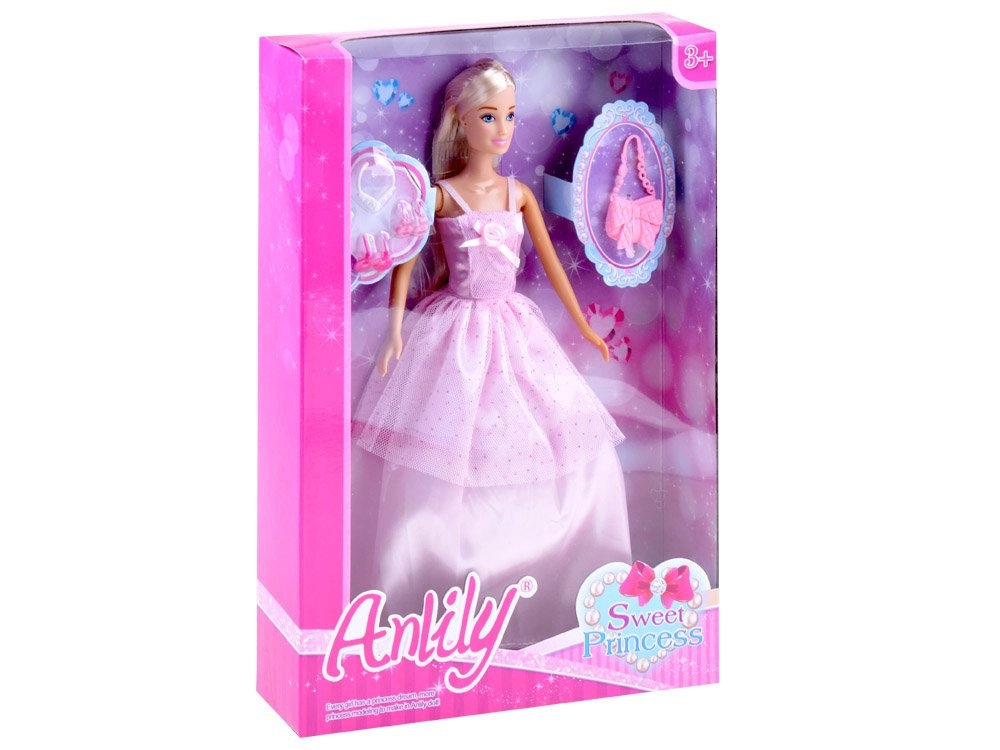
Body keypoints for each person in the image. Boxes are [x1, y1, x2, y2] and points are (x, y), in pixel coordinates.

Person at [352, 59, 631, 647]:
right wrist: (396, 327)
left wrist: (585, 327)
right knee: (448, 443)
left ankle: (559, 571)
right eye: (488, 117)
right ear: (460, 119)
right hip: (453, 333)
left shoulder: (518, 193)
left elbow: (552, 266)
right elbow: (405, 260)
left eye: (509, 116)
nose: (502, 129)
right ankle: (431, 585)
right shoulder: (441, 196)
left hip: (513, 327)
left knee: (546, 430)